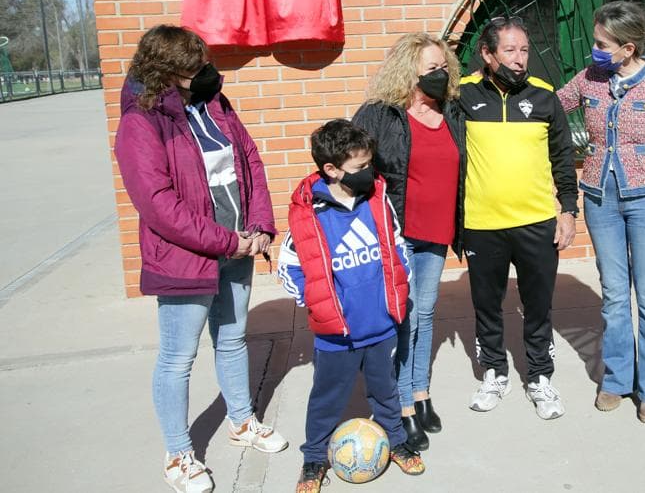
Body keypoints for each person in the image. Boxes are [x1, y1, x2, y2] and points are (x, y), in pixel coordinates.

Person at [114, 25, 288, 493]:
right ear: (167, 73)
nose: (208, 72)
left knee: (232, 340)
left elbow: (249, 159)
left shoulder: (213, 104)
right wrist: (227, 241)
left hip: (237, 247)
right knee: (178, 358)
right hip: (187, 258)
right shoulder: (141, 122)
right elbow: (159, 205)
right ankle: (178, 453)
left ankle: (241, 421)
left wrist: (260, 225)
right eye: (196, 67)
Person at [557, 1, 645, 424]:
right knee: (615, 293)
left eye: (602, 44)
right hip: (600, 197)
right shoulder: (590, 78)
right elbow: (550, 106)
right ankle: (617, 378)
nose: (595, 50)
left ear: (628, 48)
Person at [277, 119, 425, 493]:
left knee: (386, 390)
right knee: (327, 398)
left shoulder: (376, 199)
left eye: (370, 164)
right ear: (331, 169)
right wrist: (316, 302)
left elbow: (397, 244)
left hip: (380, 323)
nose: (368, 172)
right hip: (337, 334)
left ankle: (396, 441)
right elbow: (289, 266)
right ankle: (314, 458)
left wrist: (399, 287)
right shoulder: (310, 213)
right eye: (360, 166)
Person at [459, 15, 579, 420]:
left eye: (524, 49)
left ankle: (540, 377)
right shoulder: (463, 95)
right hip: (482, 224)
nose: (519, 58)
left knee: (538, 306)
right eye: (509, 50)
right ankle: (494, 372)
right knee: (487, 306)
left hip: (536, 222)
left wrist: (568, 210)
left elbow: (563, 157)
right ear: (487, 53)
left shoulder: (544, 96)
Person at [352, 32, 465, 451]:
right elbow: (349, 160)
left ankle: (420, 393)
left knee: (426, 312)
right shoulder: (381, 114)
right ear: (408, 71)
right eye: (431, 68)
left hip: (438, 231)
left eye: (444, 67)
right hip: (398, 233)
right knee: (407, 318)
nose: (441, 74)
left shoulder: (452, 111)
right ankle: (400, 406)